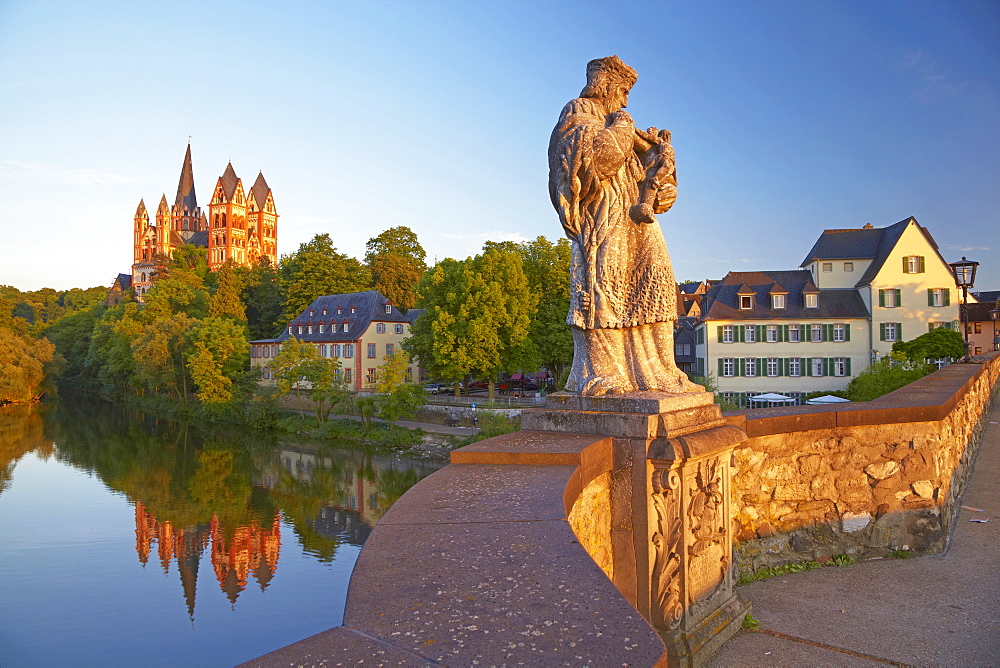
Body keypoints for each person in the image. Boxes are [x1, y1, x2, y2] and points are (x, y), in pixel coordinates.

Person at [548, 55, 700, 396]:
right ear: (603, 85)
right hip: (606, 221)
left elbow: (660, 195)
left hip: (640, 224)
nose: (627, 99)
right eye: (622, 90)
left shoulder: (620, 122)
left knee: (656, 288)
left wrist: (661, 170)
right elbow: (593, 161)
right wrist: (623, 127)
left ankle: (662, 372)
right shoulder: (578, 112)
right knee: (606, 293)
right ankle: (603, 374)